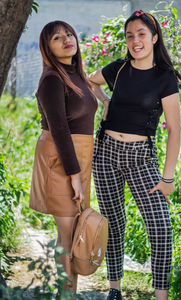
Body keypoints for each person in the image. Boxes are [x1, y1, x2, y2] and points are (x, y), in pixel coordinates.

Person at [89, 10, 181, 300]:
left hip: (141, 157)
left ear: (154, 37)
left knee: (160, 227)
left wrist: (167, 178)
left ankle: (161, 296)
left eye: (141, 34)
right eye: (130, 36)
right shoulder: (118, 69)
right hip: (105, 152)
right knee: (113, 223)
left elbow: (175, 131)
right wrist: (104, 100)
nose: (135, 40)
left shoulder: (165, 77)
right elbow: (89, 80)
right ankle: (114, 289)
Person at [29, 21, 97, 295]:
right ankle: (67, 294)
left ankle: (67, 292)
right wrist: (74, 176)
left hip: (78, 157)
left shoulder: (76, 75)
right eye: (57, 37)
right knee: (68, 236)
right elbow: (59, 129)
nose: (66, 39)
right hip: (61, 160)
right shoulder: (51, 79)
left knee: (69, 233)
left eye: (69, 33)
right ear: (48, 47)